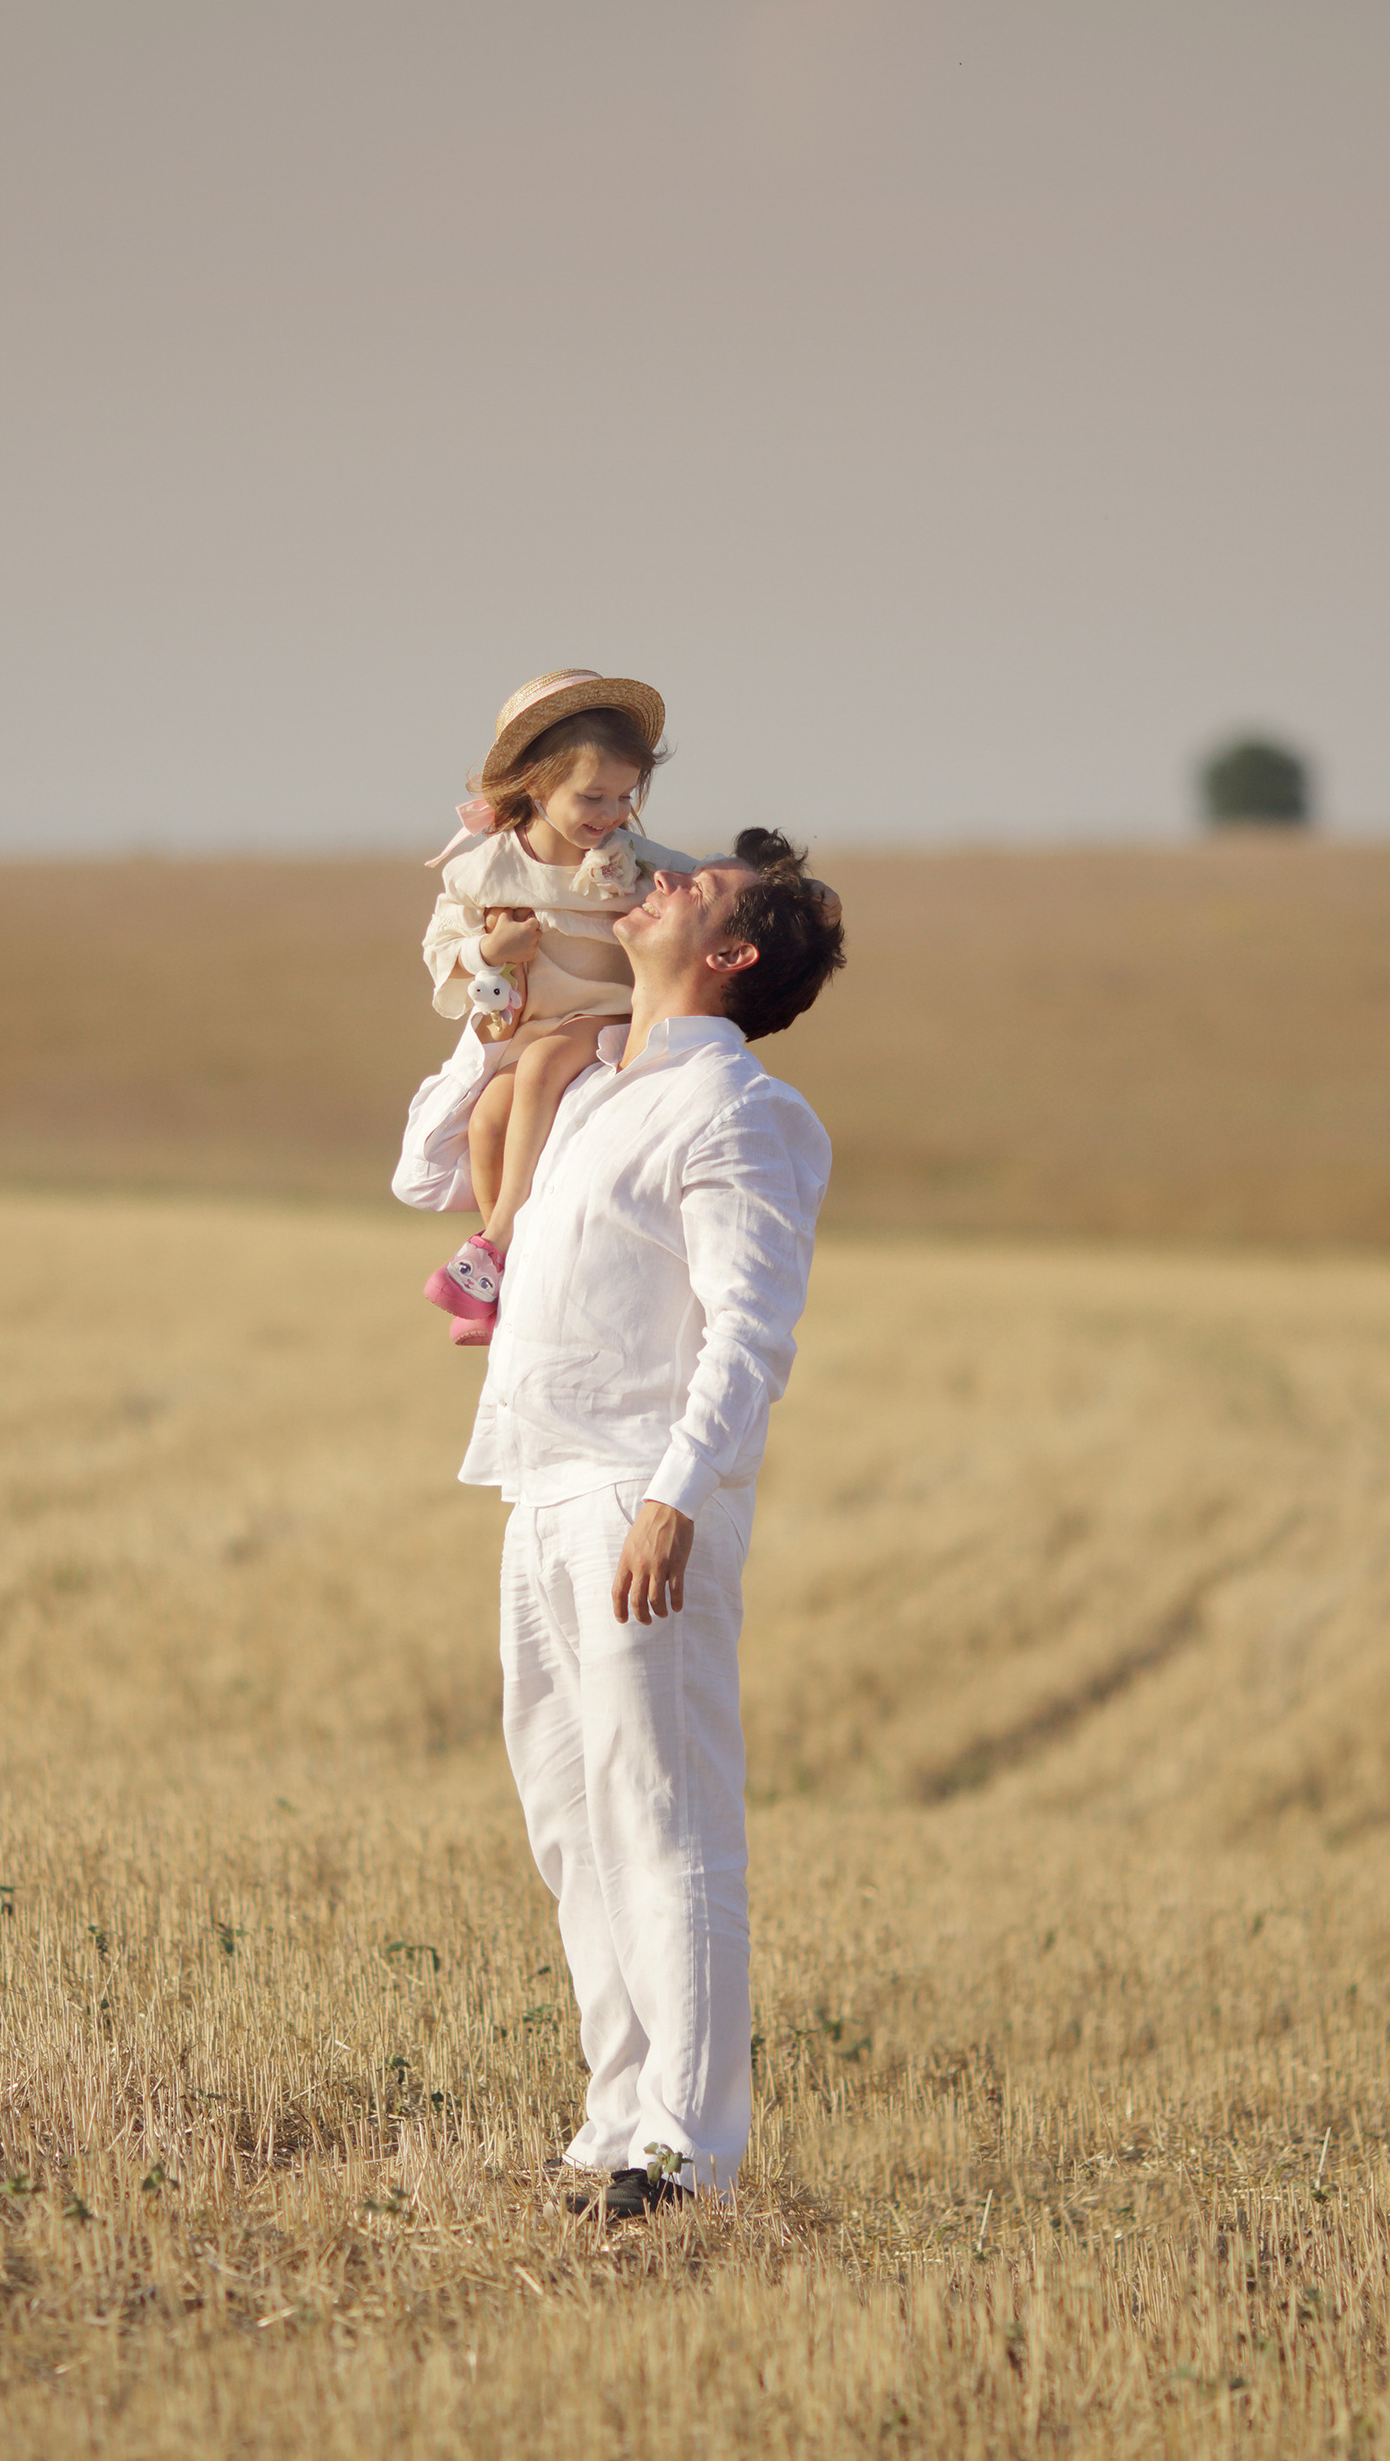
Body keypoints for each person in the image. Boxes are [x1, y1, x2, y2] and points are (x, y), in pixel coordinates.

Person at [461, 827, 846, 2219]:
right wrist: (495, 998)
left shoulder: (740, 1111)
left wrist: (680, 1494)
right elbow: (425, 1179)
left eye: (699, 890)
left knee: (668, 1821)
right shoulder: (588, 1088)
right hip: (537, 1485)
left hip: (641, 1494)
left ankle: (688, 2160)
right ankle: (614, 2129)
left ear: (731, 954)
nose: (661, 881)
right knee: (573, 1822)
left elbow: (750, 1327)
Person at [409, 669, 698, 1346]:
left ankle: (498, 1237)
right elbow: (442, 948)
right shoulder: (485, 870)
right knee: (487, 1119)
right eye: (592, 795)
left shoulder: (636, 863)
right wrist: (489, 947)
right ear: (537, 785)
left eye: (625, 795)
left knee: (541, 1067)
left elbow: (706, 881)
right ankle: (500, 1278)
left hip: (609, 1019)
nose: (610, 812)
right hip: (528, 1025)